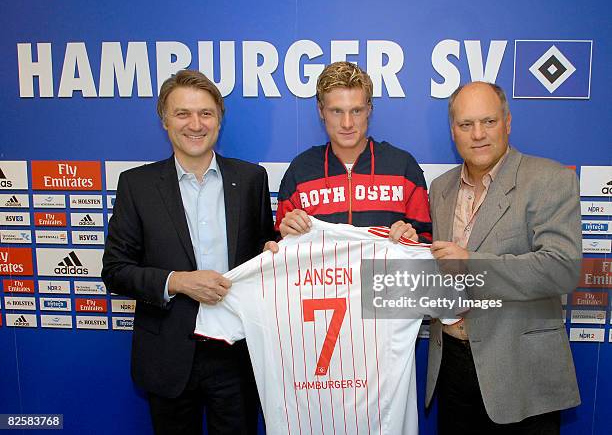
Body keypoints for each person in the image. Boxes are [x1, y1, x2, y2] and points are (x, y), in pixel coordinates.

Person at [102, 70, 275, 434]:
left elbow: (264, 251)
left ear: (219, 120)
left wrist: (277, 249)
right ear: (165, 120)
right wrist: (177, 281)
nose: (195, 124)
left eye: (206, 113)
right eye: (183, 113)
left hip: (237, 352)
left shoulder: (250, 179)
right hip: (168, 354)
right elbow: (116, 270)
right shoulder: (137, 185)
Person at [426, 82, 581, 434]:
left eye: (488, 122)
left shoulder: (549, 179)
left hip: (520, 372)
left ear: (507, 123)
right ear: (453, 132)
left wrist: (472, 262)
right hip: (451, 364)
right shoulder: (441, 188)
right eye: (466, 125)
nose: (478, 134)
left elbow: (562, 268)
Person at [267, 61, 431, 249]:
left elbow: (427, 242)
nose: (347, 123)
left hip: (380, 278)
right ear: (321, 111)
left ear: (369, 109)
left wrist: (414, 238)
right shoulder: (300, 171)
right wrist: (286, 234)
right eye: (337, 111)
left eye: (356, 111)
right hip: (323, 279)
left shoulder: (403, 167)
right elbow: (279, 248)